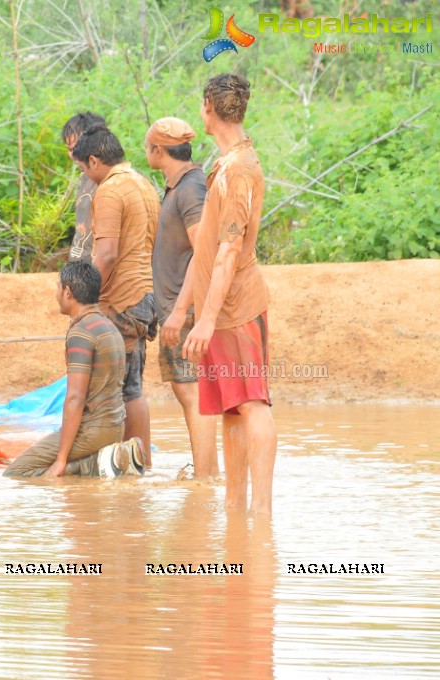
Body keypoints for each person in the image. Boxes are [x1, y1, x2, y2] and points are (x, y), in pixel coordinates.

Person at [162, 73, 277, 515]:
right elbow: (206, 249)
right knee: (230, 409)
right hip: (217, 305)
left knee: (251, 403)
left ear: (208, 106)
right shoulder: (224, 164)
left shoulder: (239, 171)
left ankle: (261, 513)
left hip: (238, 305)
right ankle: (234, 508)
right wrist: (180, 311)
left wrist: (206, 319)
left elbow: (229, 251)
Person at [4, 261, 145, 478]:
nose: (56, 294)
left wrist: (61, 459)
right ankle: (110, 458)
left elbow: (75, 398)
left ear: (68, 292)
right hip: (116, 426)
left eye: (58, 288)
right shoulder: (108, 326)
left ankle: (94, 465)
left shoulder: (81, 333)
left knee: (16, 473)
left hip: (93, 430)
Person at [71, 125, 160, 468]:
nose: (87, 178)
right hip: (145, 298)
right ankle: (142, 464)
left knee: (118, 391)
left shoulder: (109, 191)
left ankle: (129, 466)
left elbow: (105, 255)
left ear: (94, 160)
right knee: (133, 387)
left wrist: (86, 300)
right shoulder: (142, 183)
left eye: (83, 170)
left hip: (121, 301)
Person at [144, 117, 220, 479]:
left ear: (159, 151)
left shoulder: (190, 190)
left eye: (148, 148)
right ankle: (206, 472)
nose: (147, 153)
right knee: (187, 393)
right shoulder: (178, 187)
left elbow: (203, 251)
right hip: (176, 308)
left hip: (184, 310)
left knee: (193, 396)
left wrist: (178, 311)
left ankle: (206, 479)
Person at [61, 112, 108, 262]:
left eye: (78, 148)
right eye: (69, 149)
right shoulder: (84, 178)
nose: (74, 155)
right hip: (80, 269)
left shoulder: (113, 182)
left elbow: (109, 251)